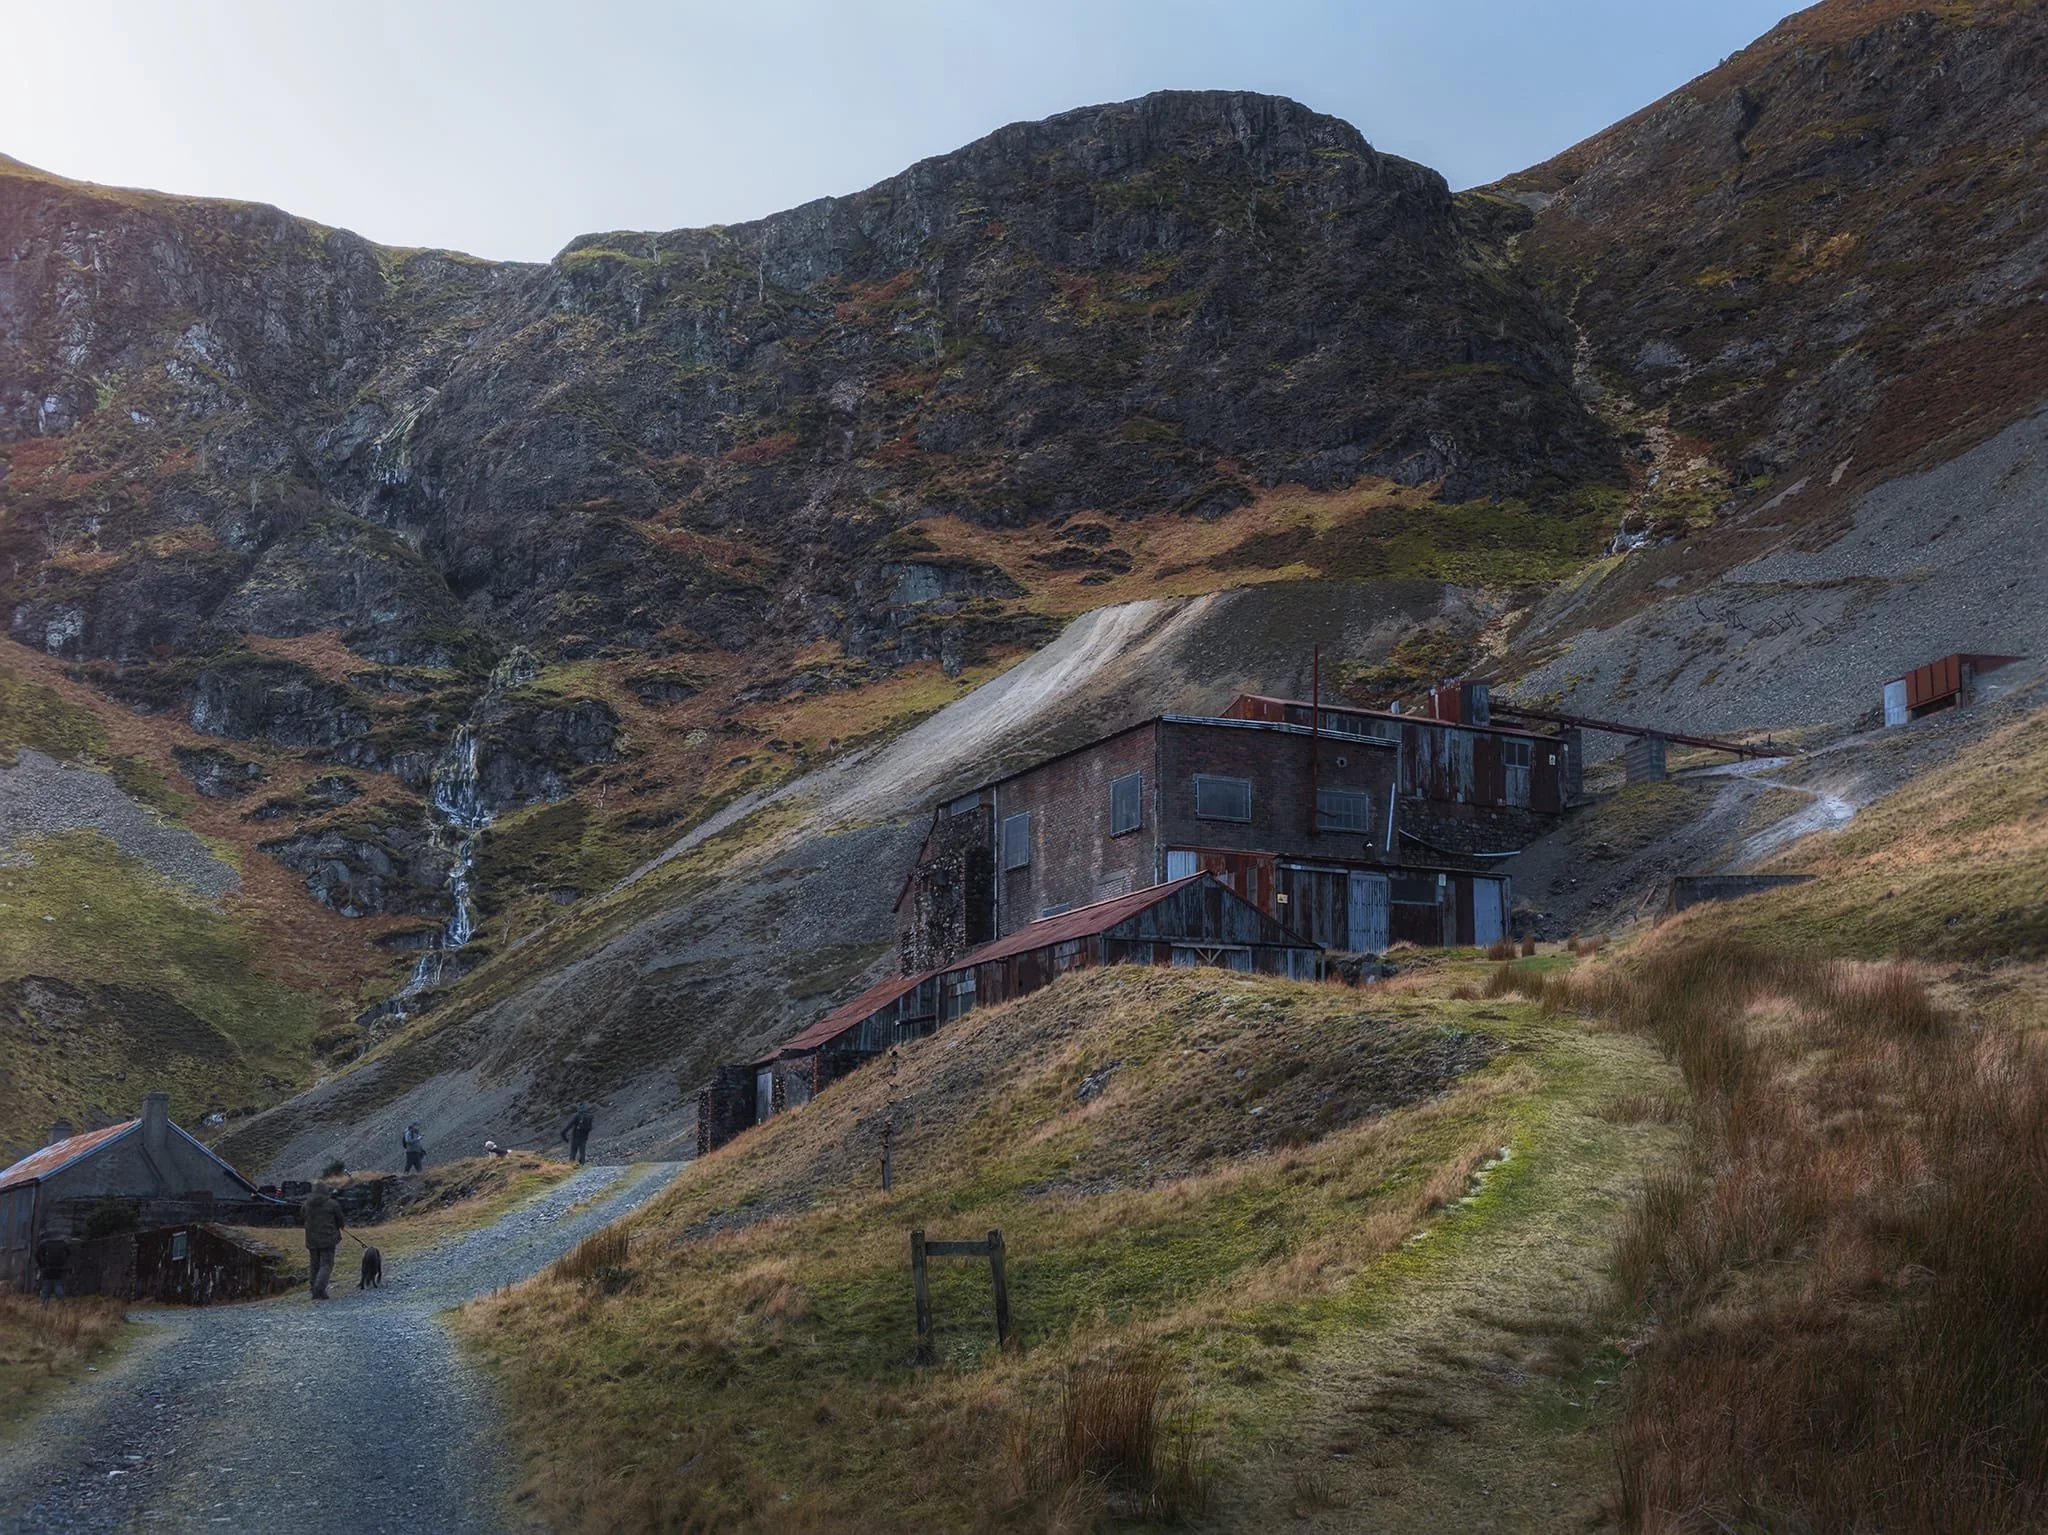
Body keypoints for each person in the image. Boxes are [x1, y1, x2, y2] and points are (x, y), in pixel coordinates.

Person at [302, 1183, 345, 1301]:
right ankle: (319, 1289)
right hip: (328, 1238)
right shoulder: (332, 1204)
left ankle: (314, 1289)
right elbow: (340, 1220)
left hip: (311, 1239)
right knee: (326, 1265)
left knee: (314, 1265)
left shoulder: (307, 1204)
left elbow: (302, 1217)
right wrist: (339, 1226)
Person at [33, 1232, 69, 1305]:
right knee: (57, 1284)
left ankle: (43, 1303)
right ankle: (62, 1300)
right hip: (58, 1268)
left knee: (46, 1286)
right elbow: (69, 1252)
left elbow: (37, 1255)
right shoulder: (62, 1243)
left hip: (47, 1269)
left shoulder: (43, 1243)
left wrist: (41, 1265)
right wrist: (63, 1262)